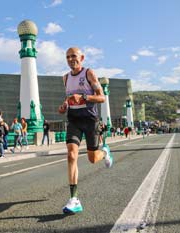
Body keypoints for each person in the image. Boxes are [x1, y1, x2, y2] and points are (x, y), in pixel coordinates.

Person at [58, 47, 113, 214]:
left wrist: (83, 97)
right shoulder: (65, 77)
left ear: (81, 58)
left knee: (92, 158)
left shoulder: (89, 73)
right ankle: (74, 199)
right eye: (67, 57)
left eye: (73, 56)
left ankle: (105, 152)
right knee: (71, 155)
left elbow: (102, 97)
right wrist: (65, 105)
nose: (70, 59)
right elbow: (68, 97)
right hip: (74, 120)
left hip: (90, 120)